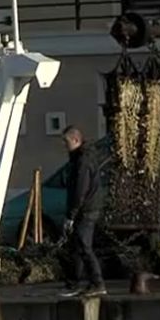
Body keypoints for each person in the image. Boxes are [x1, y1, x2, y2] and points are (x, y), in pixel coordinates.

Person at [59, 125, 106, 297]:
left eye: (66, 142)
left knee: (84, 246)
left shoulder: (83, 161)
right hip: (87, 207)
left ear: (75, 140)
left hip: (86, 209)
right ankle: (75, 282)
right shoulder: (81, 158)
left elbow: (80, 190)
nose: (65, 146)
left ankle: (97, 282)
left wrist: (71, 214)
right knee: (77, 246)